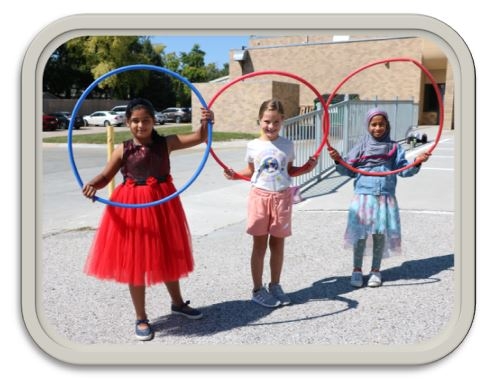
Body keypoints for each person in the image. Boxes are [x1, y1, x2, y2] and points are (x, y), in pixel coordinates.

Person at [82, 98, 213, 341]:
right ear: (127, 122)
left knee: (168, 254)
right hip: (132, 206)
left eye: (145, 120)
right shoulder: (123, 149)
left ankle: (177, 303)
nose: (140, 125)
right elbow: (105, 175)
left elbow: (199, 137)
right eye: (135, 121)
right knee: (136, 261)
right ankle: (141, 316)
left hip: (162, 203)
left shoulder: (166, 143)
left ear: (154, 121)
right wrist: (93, 185)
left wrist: (206, 123)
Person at [224, 99, 318, 308]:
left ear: (282, 121)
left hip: (282, 198)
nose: (271, 126)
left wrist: (306, 168)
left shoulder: (287, 144)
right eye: (267, 121)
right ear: (259, 120)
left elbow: (289, 171)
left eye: (276, 122)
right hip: (260, 197)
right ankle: (258, 289)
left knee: (278, 244)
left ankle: (275, 285)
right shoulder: (253, 145)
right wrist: (235, 175)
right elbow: (251, 171)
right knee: (259, 245)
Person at [328, 108, 430, 288]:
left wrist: (417, 162)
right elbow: (348, 170)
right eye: (374, 124)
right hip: (364, 195)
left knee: (379, 235)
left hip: (385, 196)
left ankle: (376, 270)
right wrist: (338, 160)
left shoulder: (394, 147)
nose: (377, 128)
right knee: (360, 235)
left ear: (387, 125)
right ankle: (357, 269)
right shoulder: (360, 146)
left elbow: (404, 170)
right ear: (368, 126)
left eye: (381, 124)